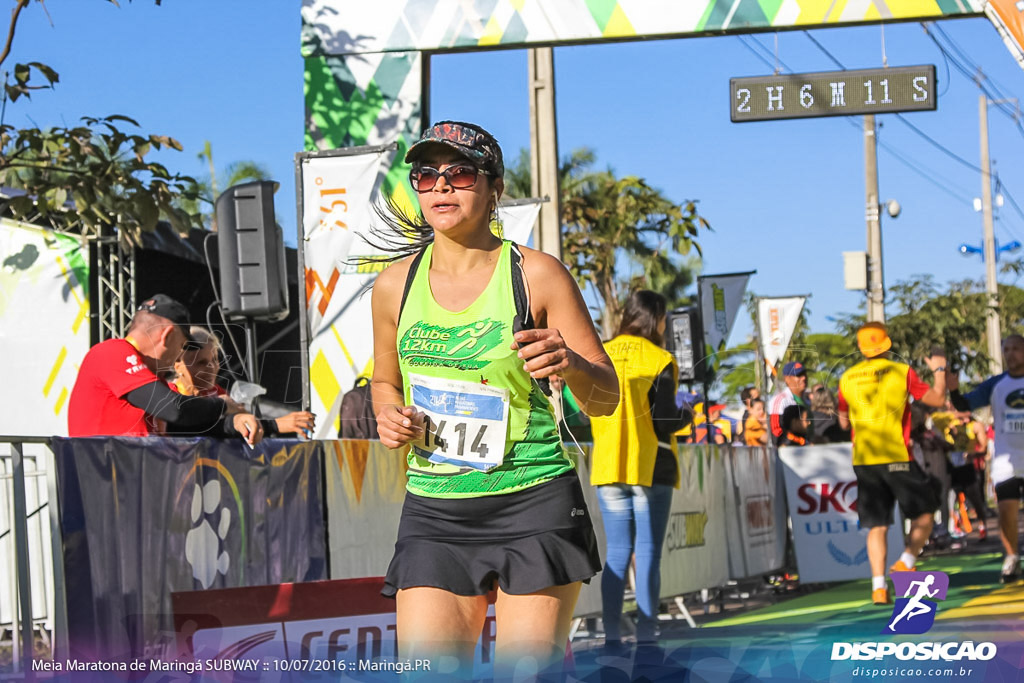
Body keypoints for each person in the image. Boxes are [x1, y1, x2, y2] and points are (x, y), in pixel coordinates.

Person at [368, 120, 619, 676]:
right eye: (426, 175)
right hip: (435, 513)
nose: (440, 187)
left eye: (458, 173)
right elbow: (384, 382)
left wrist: (571, 365)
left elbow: (605, 399)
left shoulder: (538, 275)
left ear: (494, 186)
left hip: (533, 503)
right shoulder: (393, 285)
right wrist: (388, 414)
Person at [589, 290, 691, 648]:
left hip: (607, 466)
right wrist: (688, 413)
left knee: (617, 554)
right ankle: (648, 635)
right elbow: (665, 418)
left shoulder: (600, 351)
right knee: (646, 553)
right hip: (650, 467)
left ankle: (612, 636)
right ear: (656, 320)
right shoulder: (660, 357)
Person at [837, 322, 946, 604]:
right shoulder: (901, 372)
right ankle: (905, 562)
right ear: (886, 344)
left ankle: (878, 587)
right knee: (926, 512)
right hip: (897, 455)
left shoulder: (846, 377)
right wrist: (940, 370)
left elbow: (843, 420)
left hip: (864, 459)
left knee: (877, 525)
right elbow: (937, 398)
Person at [67, 294, 263, 446]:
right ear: (167, 336)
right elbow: (174, 409)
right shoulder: (111, 352)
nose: (179, 355)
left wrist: (233, 423)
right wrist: (222, 405)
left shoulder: (152, 379)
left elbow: (183, 426)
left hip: (139, 484)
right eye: (183, 345)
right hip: (105, 484)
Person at [949, 333, 1024, 583]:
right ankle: (1012, 558)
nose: (1011, 353)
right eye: (1007, 349)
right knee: (1006, 512)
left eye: (1016, 349)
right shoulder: (996, 384)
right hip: (1006, 461)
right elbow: (963, 405)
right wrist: (952, 389)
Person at [169, 326, 316, 439]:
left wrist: (244, 417)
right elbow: (199, 428)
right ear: (177, 364)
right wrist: (275, 424)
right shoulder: (168, 394)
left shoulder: (218, 393)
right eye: (201, 362)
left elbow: (240, 429)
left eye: (215, 359)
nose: (212, 367)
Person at [769, 361, 808, 445]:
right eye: (798, 375)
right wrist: (801, 442)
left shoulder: (808, 400)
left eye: (804, 374)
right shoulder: (780, 400)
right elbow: (776, 431)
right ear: (787, 379)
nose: (804, 378)